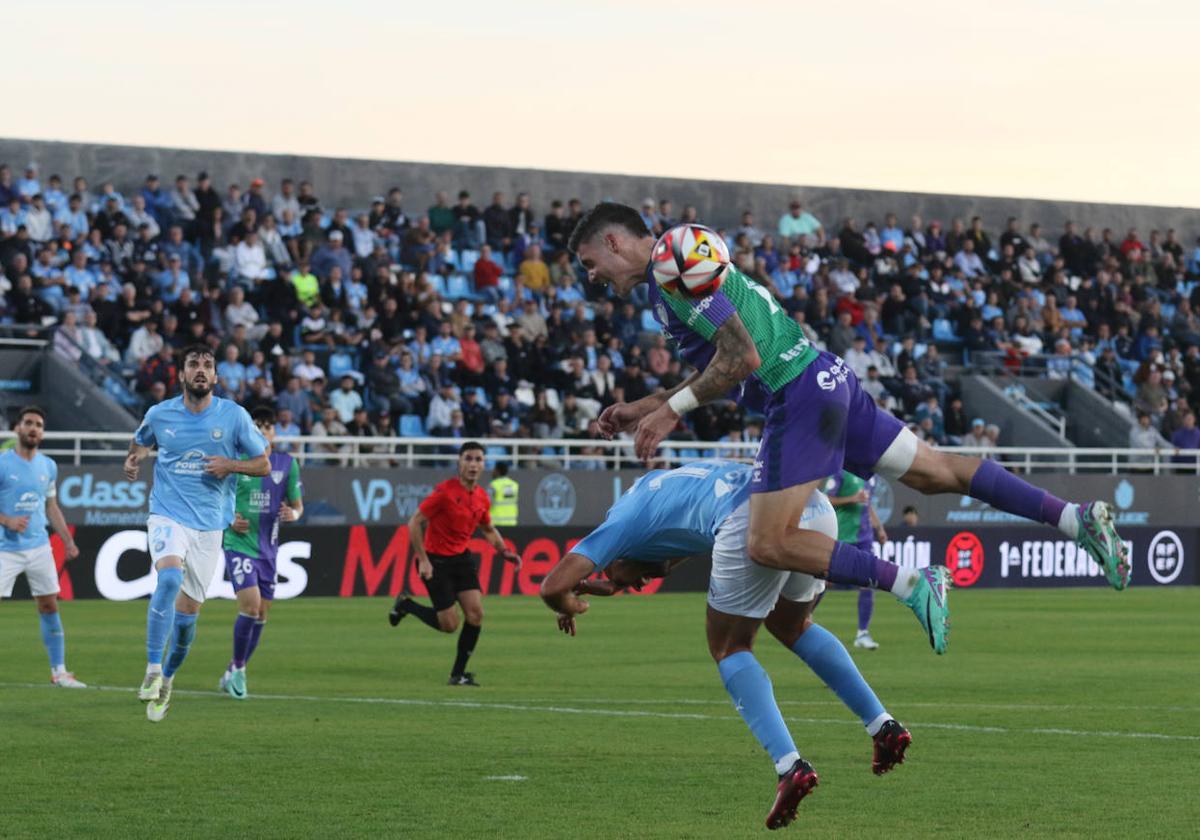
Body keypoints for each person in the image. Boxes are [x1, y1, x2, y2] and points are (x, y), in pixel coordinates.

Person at [568, 204, 1128, 655]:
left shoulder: (674, 264)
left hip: (797, 394)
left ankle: (912, 584)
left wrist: (673, 411)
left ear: (615, 242)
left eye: (592, 263)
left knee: (767, 542)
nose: (593, 278)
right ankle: (1075, 520)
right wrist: (647, 406)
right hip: (823, 375)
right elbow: (727, 360)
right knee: (935, 471)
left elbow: (740, 359)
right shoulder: (671, 273)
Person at [540, 461, 910, 830]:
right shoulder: (661, 493)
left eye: (608, 571)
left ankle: (789, 767)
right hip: (812, 507)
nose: (625, 582)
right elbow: (670, 553)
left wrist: (566, 603)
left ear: (618, 551)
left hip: (752, 517)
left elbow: (553, 586)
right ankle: (883, 726)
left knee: (730, 646)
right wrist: (618, 583)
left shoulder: (620, 524)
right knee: (792, 625)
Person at [125, 345, 270, 722]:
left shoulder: (234, 416)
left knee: (187, 623)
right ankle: (152, 668)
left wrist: (231, 464)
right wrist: (134, 459)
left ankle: (168, 680)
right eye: (194, 365)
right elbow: (141, 442)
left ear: (216, 377)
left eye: (208, 365)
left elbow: (264, 463)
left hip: (209, 527)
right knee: (168, 577)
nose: (201, 370)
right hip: (168, 515)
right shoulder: (160, 413)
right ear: (182, 375)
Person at [387, 442, 521, 685]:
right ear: (459, 462)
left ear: (484, 464)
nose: (473, 464)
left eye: (478, 459)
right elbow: (414, 523)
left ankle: (457, 674)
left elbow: (488, 529)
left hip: (461, 560)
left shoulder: (481, 497)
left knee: (476, 614)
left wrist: (504, 551)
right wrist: (423, 560)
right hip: (436, 561)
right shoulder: (444, 493)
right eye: (468, 458)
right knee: (449, 625)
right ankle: (406, 604)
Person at [217, 407, 304, 700]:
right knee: (251, 606)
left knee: (262, 614)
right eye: (258, 426)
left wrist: (293, 513)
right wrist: (229, 519)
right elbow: (216, 502)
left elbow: (297, 505)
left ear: (274, 432)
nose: (264, 431)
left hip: (269, 549)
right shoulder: (236, 462)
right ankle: (240, 670)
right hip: (237, 544)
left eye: (268, 426)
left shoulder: (286, 464)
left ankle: (233, 668)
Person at [0, 406, 86, 688]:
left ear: (42, 432)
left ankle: (59, 672)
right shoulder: (2, 463)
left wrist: (67, 540)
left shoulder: (48, 466)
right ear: (18, 429)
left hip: (39, 547)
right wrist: (7, 520)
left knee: (49, 605)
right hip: (5, 549)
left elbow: (51, 506)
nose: (33, 428)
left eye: (38, 424)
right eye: (28, 423)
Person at [824, 471, 889, 650]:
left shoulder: (871, 476)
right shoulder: (840, 473)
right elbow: (827, 499)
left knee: (868, 582)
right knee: (824, 582)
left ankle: (863, 633)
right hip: (842, 535)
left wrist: (879, 528)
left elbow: (867, 505)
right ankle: (801, 621)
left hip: (864, 537)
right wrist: (851, 498)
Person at [488, 462, 519, 527]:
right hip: (512, 523)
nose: (492, 472)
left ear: (497, 471)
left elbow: (487, 504)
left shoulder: (494, 485)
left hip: (496, 523)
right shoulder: (514, 485)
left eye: (494, 469)